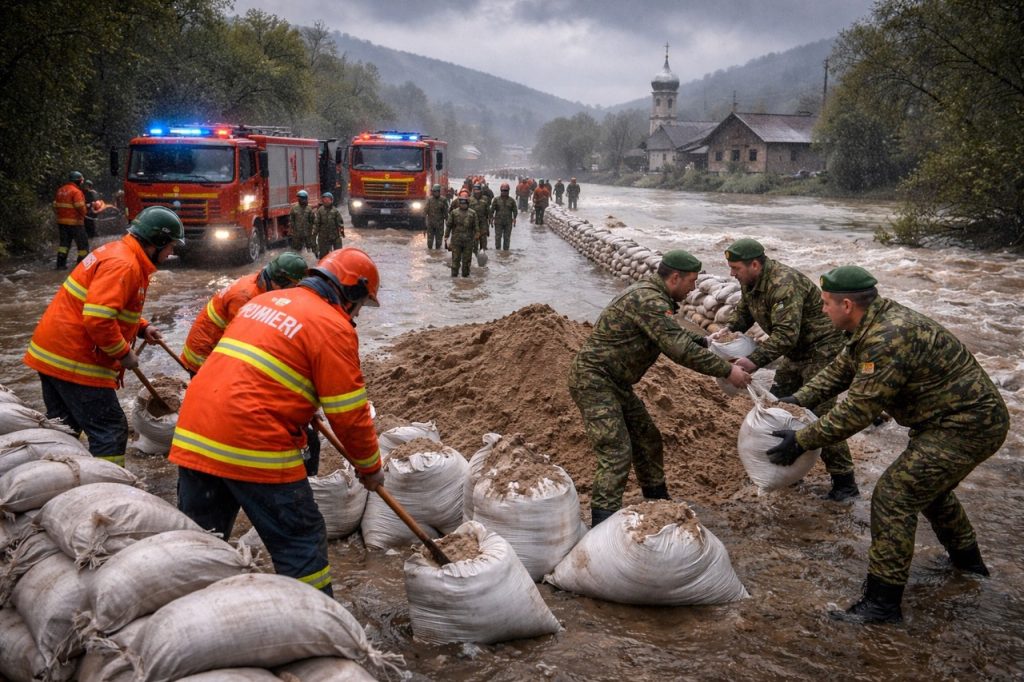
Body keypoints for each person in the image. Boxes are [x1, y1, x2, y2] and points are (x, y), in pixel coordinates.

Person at [766, 266, 1009, 624]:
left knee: (894, 497)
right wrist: (797, 400)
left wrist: (802, 440)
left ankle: (882, 605)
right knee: (930, 492)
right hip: (944, 422)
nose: (822, 310)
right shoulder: (871, 323)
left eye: (826, 303)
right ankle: (969, 566)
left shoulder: (888, 336)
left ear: (847, 305)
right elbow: (840, 371)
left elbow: (857, 411)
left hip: (967, 426)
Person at [169, 248, 385, 597]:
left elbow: (260, 371)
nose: (358, 314)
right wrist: (370, 467)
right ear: (352, 293)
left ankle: (191, 609)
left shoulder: (262, 302)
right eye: (360, 306)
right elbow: (349, 413)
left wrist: (300, 402)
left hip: (195, 432)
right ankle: (313, 620)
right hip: (253, 441)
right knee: (300, 537)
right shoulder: (333, 326)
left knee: (202, 541)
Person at [568, 250, 752, 526]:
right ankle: (601, 526)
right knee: (616, 452)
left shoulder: (653, 297)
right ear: (675, 277)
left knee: (647, 439)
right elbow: (677, 348)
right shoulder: (649, 299)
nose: (692, 289)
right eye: (690, 281)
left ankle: (658, 503)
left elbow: (669, 331)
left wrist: (704, 341)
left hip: (614, 382)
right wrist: (728, 370)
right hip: (595, 381)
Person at [23, 206, 184, 467]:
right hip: (76, 360)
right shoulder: (124, 265)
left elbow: (108, 307)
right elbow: (98, 319)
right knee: (111, 429)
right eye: (171, 246)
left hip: (54, 355)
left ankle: (62, 482)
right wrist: (123, 352)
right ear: (158, 242)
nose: (171, 253)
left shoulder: (119, 254)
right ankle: (109, 491)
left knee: (65, 430)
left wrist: (142, 328)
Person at [720, 238, 858, 501]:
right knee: (778, 404)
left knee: (820, 413)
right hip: (797, 352)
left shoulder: (783, 283)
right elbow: (746, 310)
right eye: (730, 268)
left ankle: (844, 482)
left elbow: (786, 335)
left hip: (822, 349)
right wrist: (730, 328)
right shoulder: (750, 280)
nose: (731, 273)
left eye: (736, 268)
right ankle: (787, 464)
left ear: (755, 264)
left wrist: (754, 361)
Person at [180, 251, 309, 376]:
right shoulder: (244, 298)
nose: (292, 292)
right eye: (292, 287)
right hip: (203, 354)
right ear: (279, 281)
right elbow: (243, 340)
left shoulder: (259, 285)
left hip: (216, 345)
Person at [53, 170, 90, 269]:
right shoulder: (76, 191)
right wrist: (85, 213)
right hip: (75, 223)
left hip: (62, 223)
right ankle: (81, 266)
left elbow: (55, 205)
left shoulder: (60, 190)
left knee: (64, 245)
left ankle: (60, 265)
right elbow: (80, 206)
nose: (82, 183)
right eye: (81, 181)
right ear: (78, 180)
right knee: (83, 245)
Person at [444, 193, 480, 277]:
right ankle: (454, 280)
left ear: (468, 203)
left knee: (466, 262)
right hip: (456, 241)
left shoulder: (473, 213)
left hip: (468, 242)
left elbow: (476, 227)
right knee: (455, 261)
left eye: (464, 203)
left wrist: (477, 235)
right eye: (461, 203)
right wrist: (446, 236)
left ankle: (465, 281)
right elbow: (449, 225)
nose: (463, 205)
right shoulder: (454, 212)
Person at [313, 191, 344, 259]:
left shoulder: (335, 211)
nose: (326, 201)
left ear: (331, 200)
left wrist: (341, 234)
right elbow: (316, 224)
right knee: (323, 256)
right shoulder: (320, 211)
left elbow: (340, 223)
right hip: (323, 237)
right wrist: (314, 234)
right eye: (324, 199)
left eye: (328, 199)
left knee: (338, 255)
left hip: (334, 236)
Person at [491, 182, 518, 251]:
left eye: (506, 191)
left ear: (508, 191)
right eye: (503, 191)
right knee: (498, 237)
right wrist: (491, 218)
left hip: (508, 222)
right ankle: (498, 251)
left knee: (507, 238)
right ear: (501, 191)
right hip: (498, 222)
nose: (504, 192)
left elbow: (515, 210)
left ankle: (505, 252)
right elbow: (492, 210)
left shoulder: (511, 201)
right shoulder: (496, 200)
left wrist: (514, 218)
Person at [424, 184, 448, 250]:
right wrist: (424, 224)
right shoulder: (429, 200)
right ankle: (431, 254)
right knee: (429, 242)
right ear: (433, 192)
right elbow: (425, 211)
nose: (436, 193)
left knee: (438, 243)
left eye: (437, 191)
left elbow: (446, 212)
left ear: (439, 191)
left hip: (439, 224)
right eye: (434, 191)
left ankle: (437, 256)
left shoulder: (443, 200)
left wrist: (448, 223)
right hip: (430, 224)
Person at [468, 184, 491, 252]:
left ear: (481, 191)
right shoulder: (470, 199)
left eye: (478, 190)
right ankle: (474, 256)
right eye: (475, 190)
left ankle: (483, 255)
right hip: (473, 223)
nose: (477, 192)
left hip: (483, 222)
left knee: (483, 240)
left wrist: (490, 218)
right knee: (474, 241)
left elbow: (488, 210)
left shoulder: (485, 198)